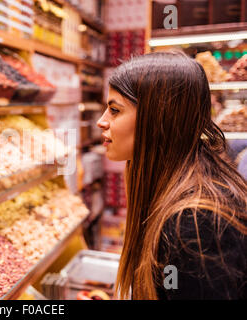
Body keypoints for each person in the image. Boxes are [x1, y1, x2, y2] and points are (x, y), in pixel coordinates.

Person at [96, 51, 247, 300]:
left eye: (114, 110)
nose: (102, 121)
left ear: (157, 117)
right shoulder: (179, 195)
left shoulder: (195, 224)